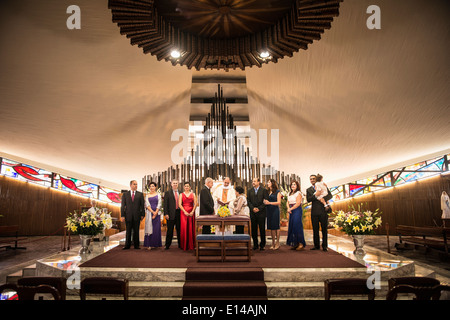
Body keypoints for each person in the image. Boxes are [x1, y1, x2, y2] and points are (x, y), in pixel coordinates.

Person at [307, 174, 332, 251]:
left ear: (316, 179)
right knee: (315, 229)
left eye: (313, 178)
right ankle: (316, 246)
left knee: (324, 229)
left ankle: (325, 246)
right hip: (314, 212)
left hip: (323, 211)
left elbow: (330, 195)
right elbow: (308, 199)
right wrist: (315, 196)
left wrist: (322, 199)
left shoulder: (323, 186)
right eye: (311, 179)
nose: (312, 180)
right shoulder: (309, 190)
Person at [120, 180, 145, 250]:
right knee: (128, 231)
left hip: (137, 215)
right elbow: (122, 206)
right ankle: (127, 245)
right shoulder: (125, 194)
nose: (136, 186)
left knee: (136, 231)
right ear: (130, 185)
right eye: (134, 184)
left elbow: (142, 206)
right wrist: (122, 215)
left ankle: (136, 245)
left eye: (136, 184)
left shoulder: (140, 194)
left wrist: (142, 214)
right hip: (128, 215)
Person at [247, 177, 269, 250]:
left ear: (258, 182)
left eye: (255, 181)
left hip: (261, 213)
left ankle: (262, 245)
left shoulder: (264, 190)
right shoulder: (249, 191)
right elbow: (248, 201)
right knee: (254, 230)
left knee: (262, 229)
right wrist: (252, 208)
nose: (253, 182)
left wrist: (259, 208)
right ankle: (255, 245)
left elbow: (266, 201)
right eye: (252, 181)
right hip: (253, 213)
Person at [286, 180, 306, 251]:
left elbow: (298, 203)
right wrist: (288, 208)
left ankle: (301, 244)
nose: (293, 186)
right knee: (292, 226)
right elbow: (287, 202)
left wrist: (290, 208)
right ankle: (295, 243)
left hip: (297, 210)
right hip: (291, 210)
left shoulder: (298, 193)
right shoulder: (289, 193)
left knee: (297, 226)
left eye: (294, 184)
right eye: (292, 184)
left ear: (297, 186)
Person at [143, 182, 162, 250]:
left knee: (156, 229)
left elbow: (159, 204)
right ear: (149, 188)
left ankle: (156, 244)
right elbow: (147, 205)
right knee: (149, 228)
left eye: (153, 186)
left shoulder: (158, 195)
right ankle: (149, 244)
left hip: (157, 214)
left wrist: (155, 213)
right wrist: (152, 212)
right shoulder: (147, 195)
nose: (152, 187)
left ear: (155, 187)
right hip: (149, 213)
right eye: (150, 186)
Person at [179, 182, 197, 251]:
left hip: (191, 212)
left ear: (190, 187)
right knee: (184, 228)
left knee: (190, 228)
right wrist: (184, 212)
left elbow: (195, 204)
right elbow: (180, 204)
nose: (186, 187)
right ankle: (184, 245)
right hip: (183, 213)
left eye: (188, 186)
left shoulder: (193, 194)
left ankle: (191, 245)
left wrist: (192, 211)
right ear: (184, 187)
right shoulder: (181, 194)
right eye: (185, 186)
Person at [263, 179, 281, 250]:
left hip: (275, 210)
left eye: (269, 182)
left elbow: (279, 202)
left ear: (272, 183)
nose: (268, 183)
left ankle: (277, 242)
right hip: (269, 210)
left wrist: (269, 203)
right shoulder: (267, 192)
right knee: (271, 227)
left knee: (276, 226)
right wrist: (264, 201)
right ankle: (273, 242)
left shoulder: (277, 192)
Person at [164, 179, 181, 250]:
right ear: (171, 184)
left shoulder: (181, 193)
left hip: (179, 213)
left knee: (179, 230)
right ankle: (167, 245)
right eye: (174, 183)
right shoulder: (168, 193)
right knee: (170, 230)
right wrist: (166, 214)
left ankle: (180, 244)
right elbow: (165, 205)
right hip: (170, 214)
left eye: (176, 183)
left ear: (178, 184)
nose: (175, 184)